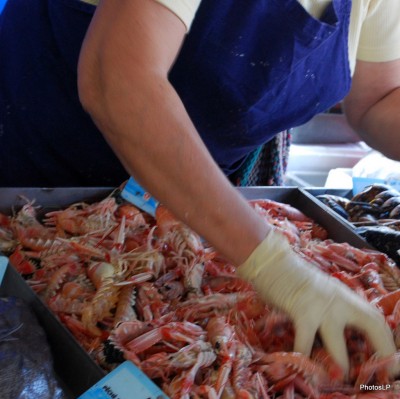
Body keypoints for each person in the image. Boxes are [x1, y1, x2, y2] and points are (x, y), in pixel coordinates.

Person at [1, 0, 399, 377]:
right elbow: (118, 79)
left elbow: (376, 99)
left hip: (193, 207)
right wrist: (276, 267)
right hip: (37, 189)